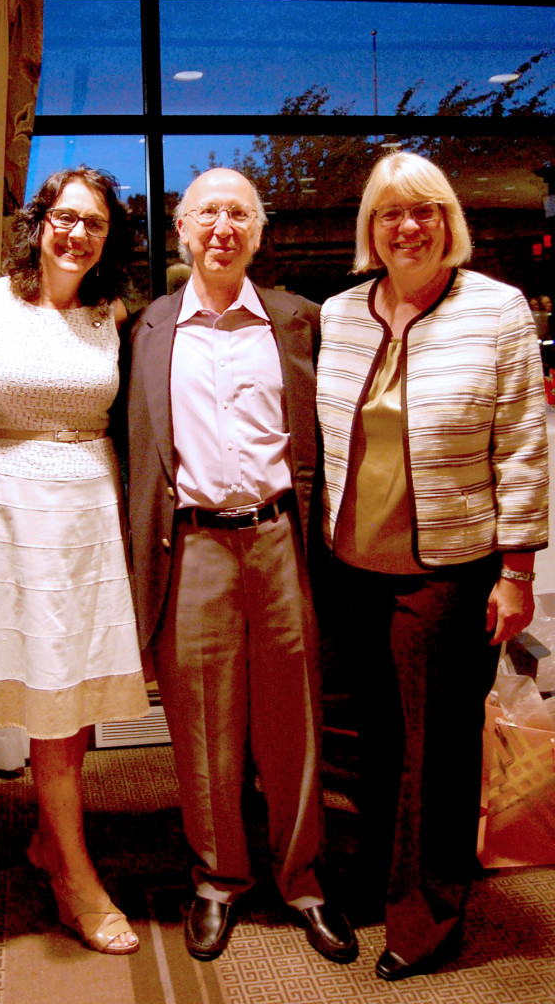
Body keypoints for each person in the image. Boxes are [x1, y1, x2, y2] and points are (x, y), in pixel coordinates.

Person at [316, 151, 548, 980]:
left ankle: (427, 916)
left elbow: (525, 444)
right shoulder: (341, 314)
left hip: (448, 570)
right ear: (369, 230)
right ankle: (380, 880)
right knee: (368, 742)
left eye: (425, 212)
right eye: (389, 214)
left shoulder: (498, 311)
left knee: (436, 751)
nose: (407, 227)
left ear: (450, 221)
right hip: (348, 569)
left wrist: (516, 571)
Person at [125, 167, 357, 965]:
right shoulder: (147, 330)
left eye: (238, 214)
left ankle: (302, 879)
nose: (221, 227)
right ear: (182, 231)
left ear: (258, 233)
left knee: (294, 716)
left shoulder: (301, 322)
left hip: (278, 539)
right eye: (206, 214)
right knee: (201, 723)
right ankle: (219, 879)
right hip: (190, 547)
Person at [0, 166, 148, 956]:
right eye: (64, 217)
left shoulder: (114, 313)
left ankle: (49, 840)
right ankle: (73, 874)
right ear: (39, 224)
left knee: (75, 694)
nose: (75, 233)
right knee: (47, 694)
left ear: (109, 239)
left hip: (90, 511)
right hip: (11, 509)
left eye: (93, 223)